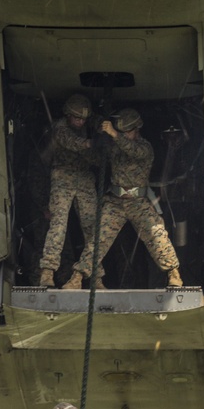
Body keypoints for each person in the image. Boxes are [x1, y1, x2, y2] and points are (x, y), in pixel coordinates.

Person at [63, 108, 182, 290]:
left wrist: (115, 135)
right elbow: (96, 157)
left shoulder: (144, 147)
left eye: (127, 131)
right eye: (122, 131)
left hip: (138, 202)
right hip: (115, 203)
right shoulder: (114, 146)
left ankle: (173, 273)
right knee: (98, 239)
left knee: (157, 236)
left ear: (137, 129)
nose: (124, 134)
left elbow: (133, 151)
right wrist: (97, 141)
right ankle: (77, 277)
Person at [38, 94, 99, 288]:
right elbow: (71, 142)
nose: (80, 122)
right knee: (58, 226)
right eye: (77, 118)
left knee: (93, 229)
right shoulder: (60, 127)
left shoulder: (88, 127)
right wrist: (92, 143)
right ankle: (47, 273)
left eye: (83, 119)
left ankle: (96, 276)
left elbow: (95, 158)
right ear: (68, 115)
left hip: (84, 178)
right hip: (63, 178)